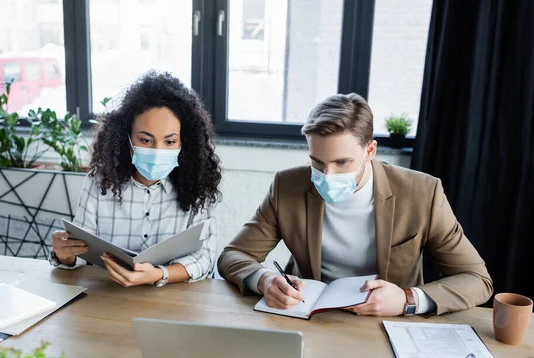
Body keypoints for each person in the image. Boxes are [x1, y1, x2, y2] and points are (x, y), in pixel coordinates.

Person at [218, 93, 492, 316]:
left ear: (369, 151)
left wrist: (408, 299)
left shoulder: (422, 193)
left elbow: (477, 279)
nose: (328, 175)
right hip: (309, 318)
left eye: (342, 162)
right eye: (317, 162)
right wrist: (265, 280)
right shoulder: (287, 186)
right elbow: (233, 256)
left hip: (387, 322)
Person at [50, 71, 222, 287]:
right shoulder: (99, 182)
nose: (158, 151)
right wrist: (65, 253)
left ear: (183, 143)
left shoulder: (198, 184)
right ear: (127, 138)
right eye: (146, 140)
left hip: (173, 301)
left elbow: (204, 258)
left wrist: (159, 274)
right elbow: (80, 253)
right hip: (107, 296)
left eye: (169, 142)